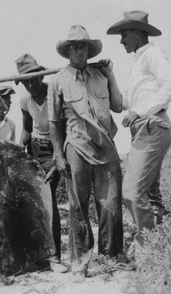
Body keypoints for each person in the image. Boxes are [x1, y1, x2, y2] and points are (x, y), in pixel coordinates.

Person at [48, 25, 124, 282]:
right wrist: (58, 154)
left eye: (83, 46)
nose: (79, 50)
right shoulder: (58, 80)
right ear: (68, 50)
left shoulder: (101, 75)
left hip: (106, 148)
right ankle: (80, 262)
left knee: (111, 204)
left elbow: (117, 106)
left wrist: (111, 74)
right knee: (78, 207)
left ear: (89, 49)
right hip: (76, 148)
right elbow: (55, 122)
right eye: (74, 46)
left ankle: (110, 258)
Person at [107, 11, 171, 260]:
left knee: (131, 191)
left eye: (124, 34)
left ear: (138, 32)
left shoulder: (152, 54)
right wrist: (109, 75)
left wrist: (139, 111)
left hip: (152, 126)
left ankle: (145, 248)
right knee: (150, 193)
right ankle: (162, 243)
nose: (121, 40)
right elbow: (124, 102)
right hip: (144, 130)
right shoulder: (139, 60)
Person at [15, 53, 67, 273]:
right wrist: (18, 150)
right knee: (30, 201)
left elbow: (64, 128)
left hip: (55, 146)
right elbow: (27, 129)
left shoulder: (54, 93)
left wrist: (58, 155)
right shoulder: (25, 100)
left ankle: (54, 256)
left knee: (49, 198)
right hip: (35, 148)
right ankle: (37, 253)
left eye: (34, 79)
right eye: (26, 81)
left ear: (41, 77)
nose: (30, 84)